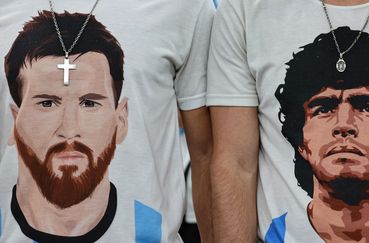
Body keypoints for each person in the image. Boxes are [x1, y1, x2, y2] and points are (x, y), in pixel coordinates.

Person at [207, 0, 369, 242]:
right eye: (323, 108)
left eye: (367, 107)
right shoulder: (245, 7)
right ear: (300, 139)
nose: (344, 125)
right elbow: (235, 164)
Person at [0, 0, 214, 242]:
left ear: (121, 120)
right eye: (47, 103)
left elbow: (207, 154)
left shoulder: (183, 7)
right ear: (15, 120)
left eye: (89, 103)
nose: (69, 130)